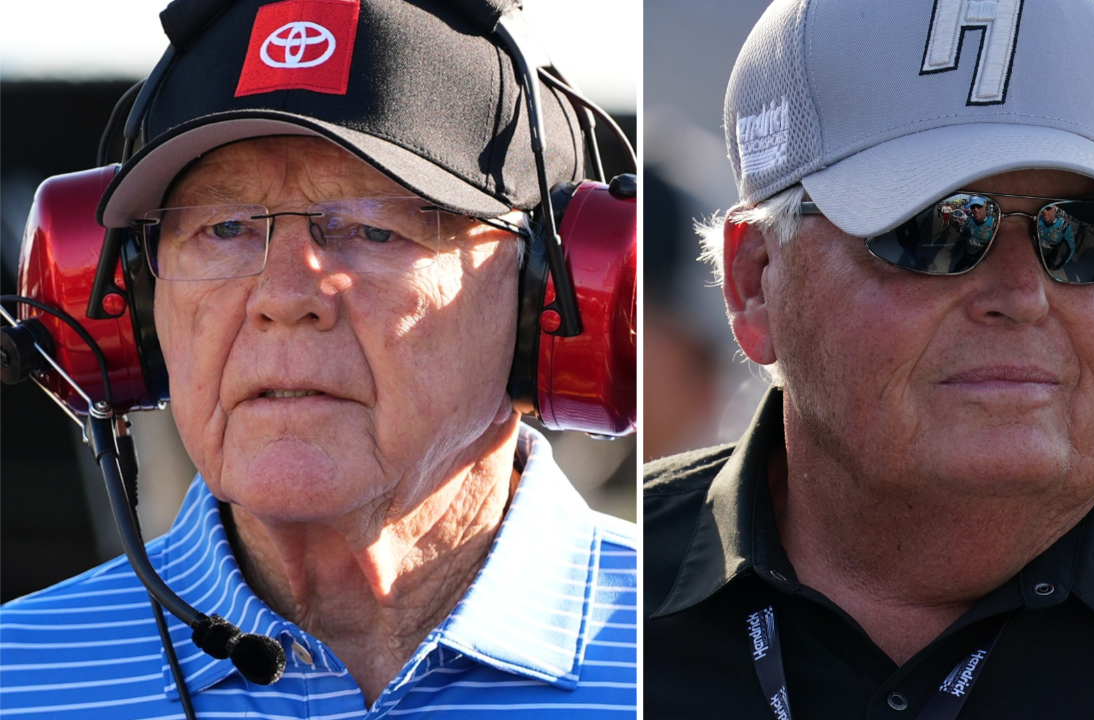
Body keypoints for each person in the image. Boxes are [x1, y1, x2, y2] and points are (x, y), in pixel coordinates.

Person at [0, 0, 636, 717]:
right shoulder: (14, 679)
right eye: (225, 227)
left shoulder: (688, 655)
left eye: (372, 228)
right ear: (131, 305)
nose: (284, 294)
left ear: (544, 298)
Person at [644, 0, 1094, 718]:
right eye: (937, 229)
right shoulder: (607, 599)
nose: (1023, 294)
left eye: (1086, 232)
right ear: (755, 283)